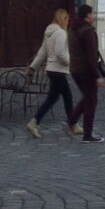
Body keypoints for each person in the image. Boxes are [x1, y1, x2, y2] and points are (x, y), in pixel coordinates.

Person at [25, 7, 72, 139]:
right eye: (67, 19)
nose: (68, 22)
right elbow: (60, 54)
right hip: (58, 70)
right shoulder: (61, 33)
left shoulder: (49, 32)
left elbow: (42, 53)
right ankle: (72, 124)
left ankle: (34, 122)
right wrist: (70, 62)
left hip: (51, 70)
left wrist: (32, 67)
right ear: (63, 19)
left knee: (55, 98)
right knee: (66, 97)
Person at [66, 3, 105, 144]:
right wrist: (97, 76)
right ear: (87, 16)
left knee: (88, 97)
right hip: (86, 71)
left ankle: (72, 120)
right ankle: (88, 134)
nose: (94, 16)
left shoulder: (73, 29)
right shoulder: (88, 32)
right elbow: (91, 57)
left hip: (75, 69)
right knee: (91, 101)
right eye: (92, 13)